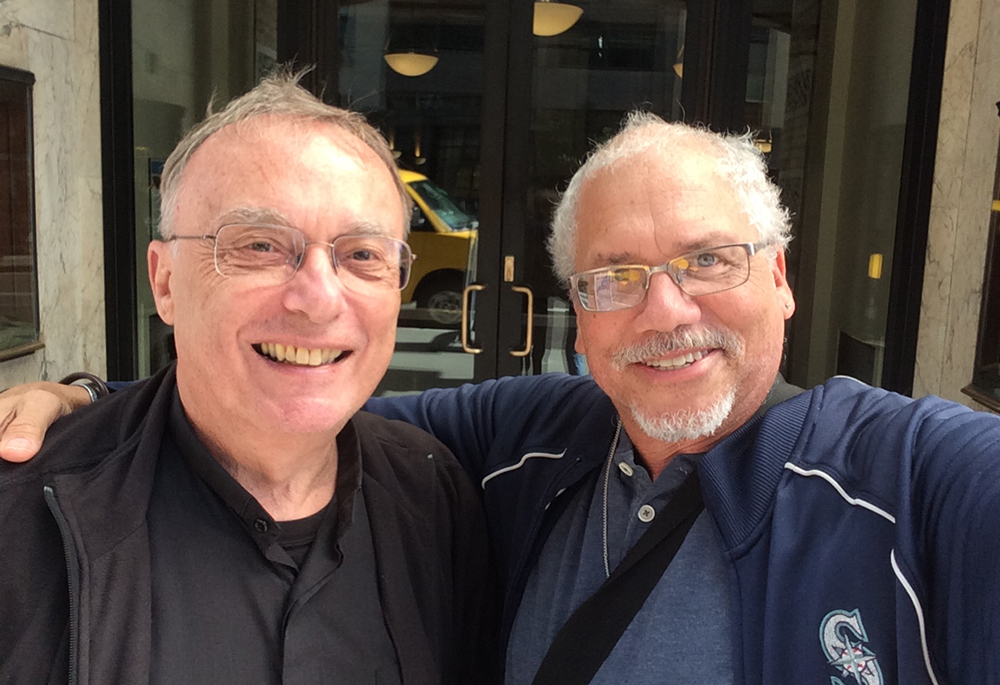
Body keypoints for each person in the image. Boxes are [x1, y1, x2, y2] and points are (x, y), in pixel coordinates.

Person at [3, 113, 999, 683]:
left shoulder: (913, 477)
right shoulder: (529, 447)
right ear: (579, 310)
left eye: (708, 259)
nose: (665, 308)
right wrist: (85, 404)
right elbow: (285, 395)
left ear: (779, 275)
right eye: (615, 275)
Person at [0, 73, 497, 685]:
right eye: (260, 245)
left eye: (363, 255)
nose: (317, 299)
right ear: (164, 282)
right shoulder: (21, 517)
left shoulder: (434, 495)